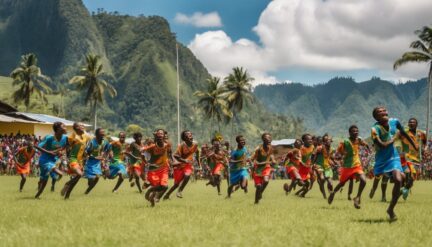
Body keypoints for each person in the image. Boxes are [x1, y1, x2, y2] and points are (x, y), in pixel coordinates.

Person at [369, 106, 417, 221]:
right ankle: (376, 191)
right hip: (381, 160)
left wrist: (413, 144)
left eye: (384, 110)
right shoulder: (375, 129)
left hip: (394, 157)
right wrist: (395, 138)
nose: (383, 112)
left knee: (399, 180)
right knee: (392, 178)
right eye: (379, 112)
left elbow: (404, 133)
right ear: (376, 117)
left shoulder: (395, 121)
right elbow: (382, 145)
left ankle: (390, 209)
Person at [328, 125, 368, 209]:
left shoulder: (359, 139)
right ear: (349, 133)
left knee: (364, 180)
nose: (356, 132)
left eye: (357, 131)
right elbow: (339, 151)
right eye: (354, 131)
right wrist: (342, 154)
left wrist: (367, 145)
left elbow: (364, 144)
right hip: (347, 166)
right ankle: (333, 193)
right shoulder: (345, 142)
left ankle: (357, 197)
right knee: (342, 183)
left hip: (357, 165)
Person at [163, 130, 200, 200]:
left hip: (188, 165)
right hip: (178, 166)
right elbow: (175, 156)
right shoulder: (182, 145)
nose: (190, 135)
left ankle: (180, 191)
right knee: (176, 184)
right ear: (184, 138)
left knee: (187, 175)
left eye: (190, 134)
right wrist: (184, 160)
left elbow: (197, 152)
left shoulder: (195, 144)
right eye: (187, 135)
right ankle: (167, 195)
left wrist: (198, 163)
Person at [35, 122, 68, 199]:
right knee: (57, 172)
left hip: (53, 160)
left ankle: (37, 196)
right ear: (58, 129)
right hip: (44, 160)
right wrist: (49, 152)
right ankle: (60, 176)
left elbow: (64, 147)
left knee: (44, 181)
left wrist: (61, 152)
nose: (65, 128)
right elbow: (37, 146)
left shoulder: (65, 138)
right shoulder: (49, 137)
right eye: (63, 126)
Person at [143, 129, 174, 207]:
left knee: (164, 186)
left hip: (164, 168)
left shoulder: (168, 144)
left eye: (162, 134)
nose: (160, 135)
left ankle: (150, 191)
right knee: (158, 187)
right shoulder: (152, 146)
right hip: (153, 170)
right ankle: (151, 199)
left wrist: (171, 164)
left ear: (164, 136)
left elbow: (169, 154)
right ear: (156, 135)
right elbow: (142, 152)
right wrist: (146, 162)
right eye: (158, 134)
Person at [61, 122, 91, 199]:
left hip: (80, 161)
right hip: (72, 159)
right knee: (80, 174)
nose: (83, 126)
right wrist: (67, 161)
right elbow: (67, 149)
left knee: (77, 179)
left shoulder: (85, 136)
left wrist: (86, 153)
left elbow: (86, 145)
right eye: (80, 125)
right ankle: (67, 184)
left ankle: (67, 196)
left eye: (83, 125)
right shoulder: (72, 137)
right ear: (76, 128)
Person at [399, 118, 426, 200]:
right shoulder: (404, 133)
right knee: (409, 173)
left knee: (414, 175)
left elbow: (424, 142)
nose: (411, 123)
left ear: (416, 124)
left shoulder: (421, 133)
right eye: (410, 122)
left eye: (413, 122)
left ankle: (405, 189)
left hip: (417, 158)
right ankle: (404, 188)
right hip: (406, 156)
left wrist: (424, 148)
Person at [83, 128, 110, 195]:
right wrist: (94, 157)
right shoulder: (91, 142)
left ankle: (86, 192)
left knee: (97, 177)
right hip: (90, 162)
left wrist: (104, 158)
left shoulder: (105, 141)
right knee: (91, 180)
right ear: (96, 135)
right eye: (101, 134)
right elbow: (86, 153)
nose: (103, 135)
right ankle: (88, 182)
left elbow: (108, 150)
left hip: (98, 163)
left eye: (103, 134)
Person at [251, 133, 275, 204]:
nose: (269, 139)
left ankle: (260, 193)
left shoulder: (270, 148)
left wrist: (273, 160)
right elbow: (253, 159)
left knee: (266, 181)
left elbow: (271, 155)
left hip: (266, 167)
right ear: (263, 139)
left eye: (270, 138)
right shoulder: (258, 149)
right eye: (267, 138)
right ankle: (256, 201)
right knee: (258, 186)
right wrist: (254, 161)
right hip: (258, 169)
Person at [313, 134, 334, 199]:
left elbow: (331, 157)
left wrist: (334, 162)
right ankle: (324, 195)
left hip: (327, 167)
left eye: (329, 140)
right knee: (322, 179)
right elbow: (314, 155)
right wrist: (312, 164)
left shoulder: (332, 149)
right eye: (326, 140)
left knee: (330, 183)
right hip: (319, 165)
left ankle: (330, 194)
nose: (328, 141)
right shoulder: (319, 148)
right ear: (324, 142)